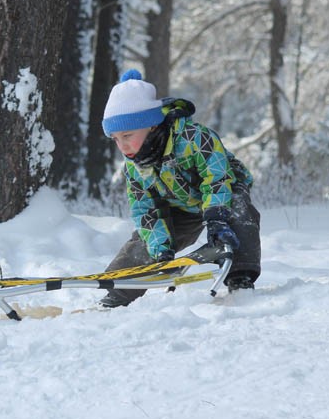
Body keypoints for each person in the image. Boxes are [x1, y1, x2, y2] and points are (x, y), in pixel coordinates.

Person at [99, 69, 261, 308]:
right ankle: (118, 292)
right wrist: (161, 250)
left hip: (223, 191)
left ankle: (241, 279)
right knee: (146, 239)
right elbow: (146, 210)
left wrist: (216, 219)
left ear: (151, 125)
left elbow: (217, 178)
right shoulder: (134, 166)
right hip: (181, 206)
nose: (122, 146)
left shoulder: (194, 138)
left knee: (238, 210)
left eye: (127, 135)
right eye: (115, 139)